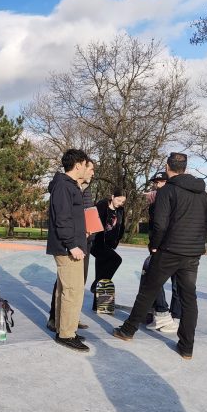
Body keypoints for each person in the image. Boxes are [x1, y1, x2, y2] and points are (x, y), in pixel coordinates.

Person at [113, 153, 207, 359]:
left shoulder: (168, 190)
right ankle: (186, 348)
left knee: (148, 289)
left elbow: (159, 224)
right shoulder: (202, 193)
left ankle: (128, 330)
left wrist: (154, 246)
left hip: (169, 250)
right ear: (184, 167)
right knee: (188, 298)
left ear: (168, 167)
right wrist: (196, 243)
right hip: (192, 253)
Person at [46, 148, 91, 353]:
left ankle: (62, 328)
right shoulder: (63, 186)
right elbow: (62, 218)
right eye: (85, 164)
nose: (86, 168)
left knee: (65, 291)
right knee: (73, 292)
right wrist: (72, 245)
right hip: (68, 248)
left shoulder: (68, 185)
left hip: (69, 245)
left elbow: (71, 217)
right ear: (78, 165)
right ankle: (66, 335)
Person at [144, 171, 182, 332]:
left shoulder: (172, 198)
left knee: (167, 280)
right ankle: (160, 311)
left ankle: (167, 313)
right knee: (150, 272)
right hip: (162, 245)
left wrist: (154, 245)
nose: (157, 185)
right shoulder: (157, 200)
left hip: (168, 246)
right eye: (156, 183)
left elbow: (161, 225)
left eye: (160, 182)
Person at [89, 187, 126, 307]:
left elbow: (122, 226)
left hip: (109, 245)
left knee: (101, 271)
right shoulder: (101, 205)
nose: (120, 203)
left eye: (122, 202)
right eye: (118, 200)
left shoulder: (120, 210)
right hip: (98, 244)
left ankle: (98, 305)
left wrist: (117, 240)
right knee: (116, 260)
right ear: (112, 197)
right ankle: (96, 284)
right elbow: (93, 221)